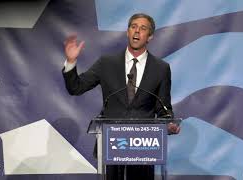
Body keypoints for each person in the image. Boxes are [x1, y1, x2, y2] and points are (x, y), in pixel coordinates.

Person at [62, 13, 180, 180]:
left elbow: (164, 108)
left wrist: (169, 124)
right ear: (127, 32)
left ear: (150, 37)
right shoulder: (106, 63)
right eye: (133, 27)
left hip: (143, 148)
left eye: (143, 28)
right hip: (112, 146)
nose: (137, 31)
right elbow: (76, 87)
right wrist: (71, 62)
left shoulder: (161, 68)